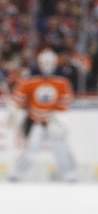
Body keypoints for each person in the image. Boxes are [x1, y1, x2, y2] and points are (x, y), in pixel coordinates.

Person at [9, 49, 77, 182]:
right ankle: (16, 174)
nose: (47, 66)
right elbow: (18, 100)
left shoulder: (62, 83)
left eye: (50, 62)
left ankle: (70, 174)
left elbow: (65, 104)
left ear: (55, 63)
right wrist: (14, 111)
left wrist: (56, 118)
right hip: (37, 122)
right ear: (39, 63)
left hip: (54, 123)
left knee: (62, 149)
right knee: (30, 150)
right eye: (44, 63)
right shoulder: (30, 82)